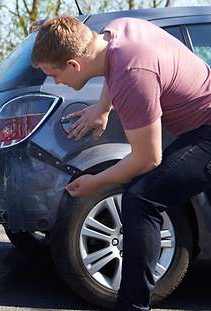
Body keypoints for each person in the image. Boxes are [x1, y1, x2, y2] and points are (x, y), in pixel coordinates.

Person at [31, 16, 211, 311]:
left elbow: (147, 159)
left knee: (142, 198)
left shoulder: (131, 75)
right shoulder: (118, 30)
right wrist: (103, 107)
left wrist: (95, 183)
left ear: (74, 65)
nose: (55, 81)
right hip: (200, 126)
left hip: (207, 131)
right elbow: (114, 66)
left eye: (54, 74)